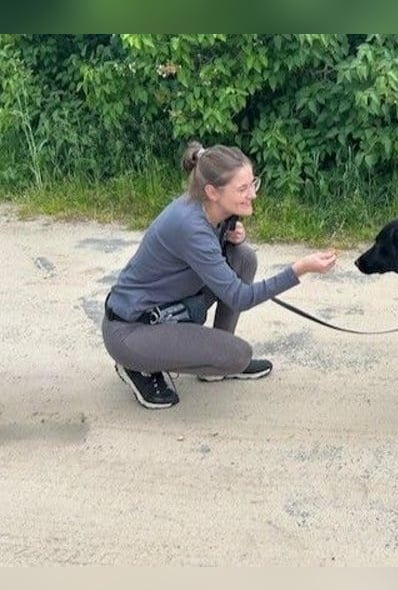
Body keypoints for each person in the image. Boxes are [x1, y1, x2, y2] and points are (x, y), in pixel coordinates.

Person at [102, 141, 337, 409]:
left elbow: (221, 257)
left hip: (167, 311)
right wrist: (299, 269)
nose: (253, 195)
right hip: (131, 329)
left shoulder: (211, 211)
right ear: (212, 191)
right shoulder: (189, 225)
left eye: (253, 184)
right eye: (242, 189)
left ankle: (213, 365)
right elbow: (240, 297)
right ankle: (136, 366)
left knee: (243, 257)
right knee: (238, 355)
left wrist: (234, 235)